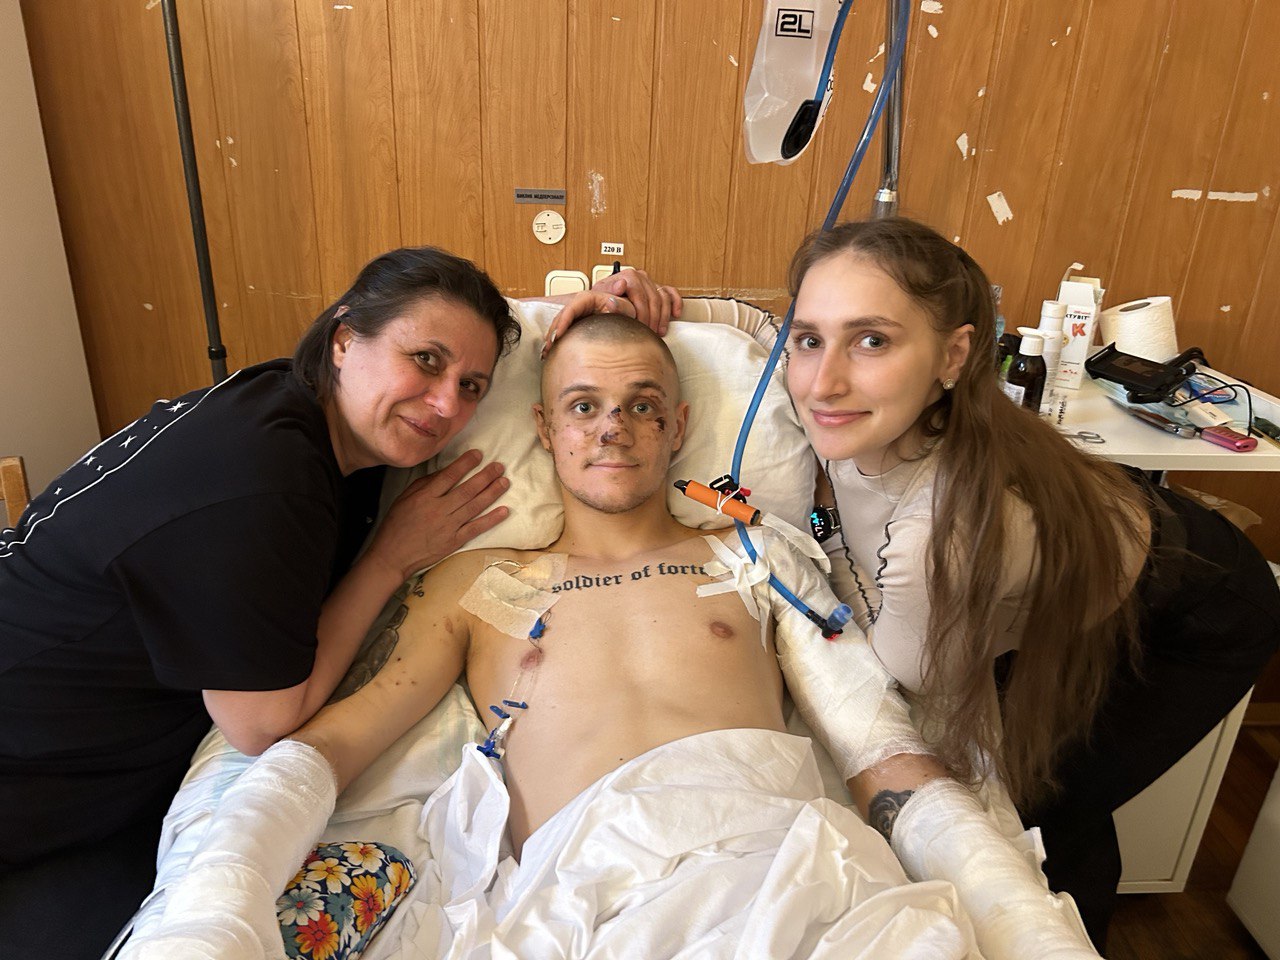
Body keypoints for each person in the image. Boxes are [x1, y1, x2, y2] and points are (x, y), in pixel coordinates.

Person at [125, 315, 1102, 960]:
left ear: (678, 426)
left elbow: (875, 744)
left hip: (792, 872)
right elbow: (329, 748)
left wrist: (1013, 909)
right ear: (544, 428)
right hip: (587, 898)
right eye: (583, 406)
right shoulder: (476, 585)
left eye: (641, 406)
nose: (612, 427)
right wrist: (214, 910)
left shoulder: (754, 556)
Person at [0, 246, 676, 959]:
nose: (447, 405)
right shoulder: (265, 476)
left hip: (107, 757)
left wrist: (585, 306)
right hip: (35, 763)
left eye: (473, 384)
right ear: (345, 339)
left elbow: (443, 323)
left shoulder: (307, 414)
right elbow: (260, 725)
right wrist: (391, 557)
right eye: (425, 361)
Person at [708, 216, 1275, 949]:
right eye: (811, 339)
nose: (822, 381)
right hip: (1090, 535)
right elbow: (757, 325)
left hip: (1199, 606)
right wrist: (644, 299)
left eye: (872, 340)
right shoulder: (859, 406)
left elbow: (902, 675)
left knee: (1048, 802)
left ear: (954, 354)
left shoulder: (940, 537)